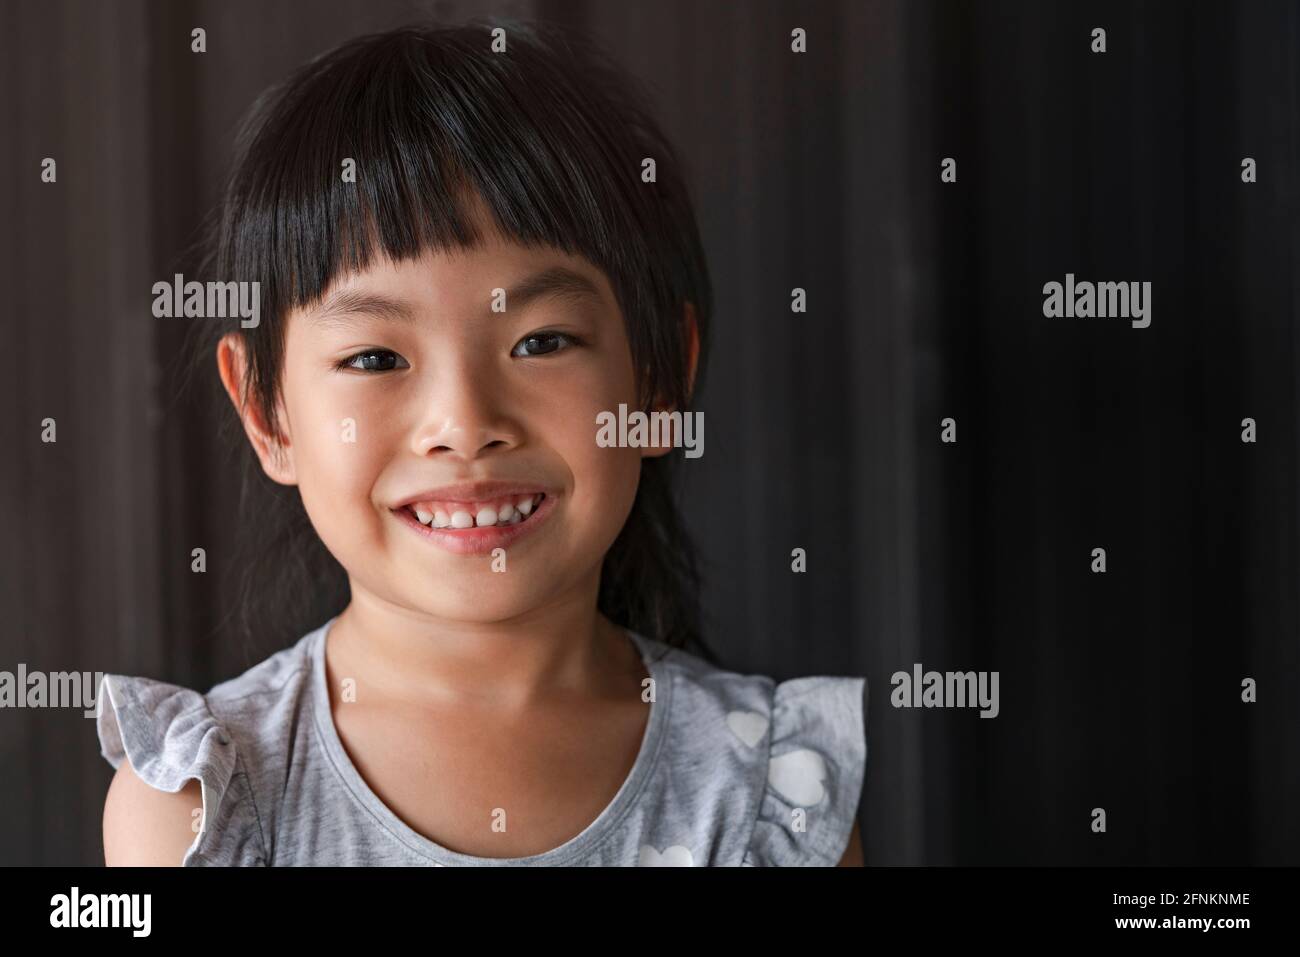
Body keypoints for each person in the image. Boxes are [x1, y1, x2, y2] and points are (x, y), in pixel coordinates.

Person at [97, 18, 867, 866]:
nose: (464, 423)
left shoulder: (770, 794)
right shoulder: (202, 806)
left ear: (656, 378)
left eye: (541, 342)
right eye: (375, 357)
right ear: (268, 413)